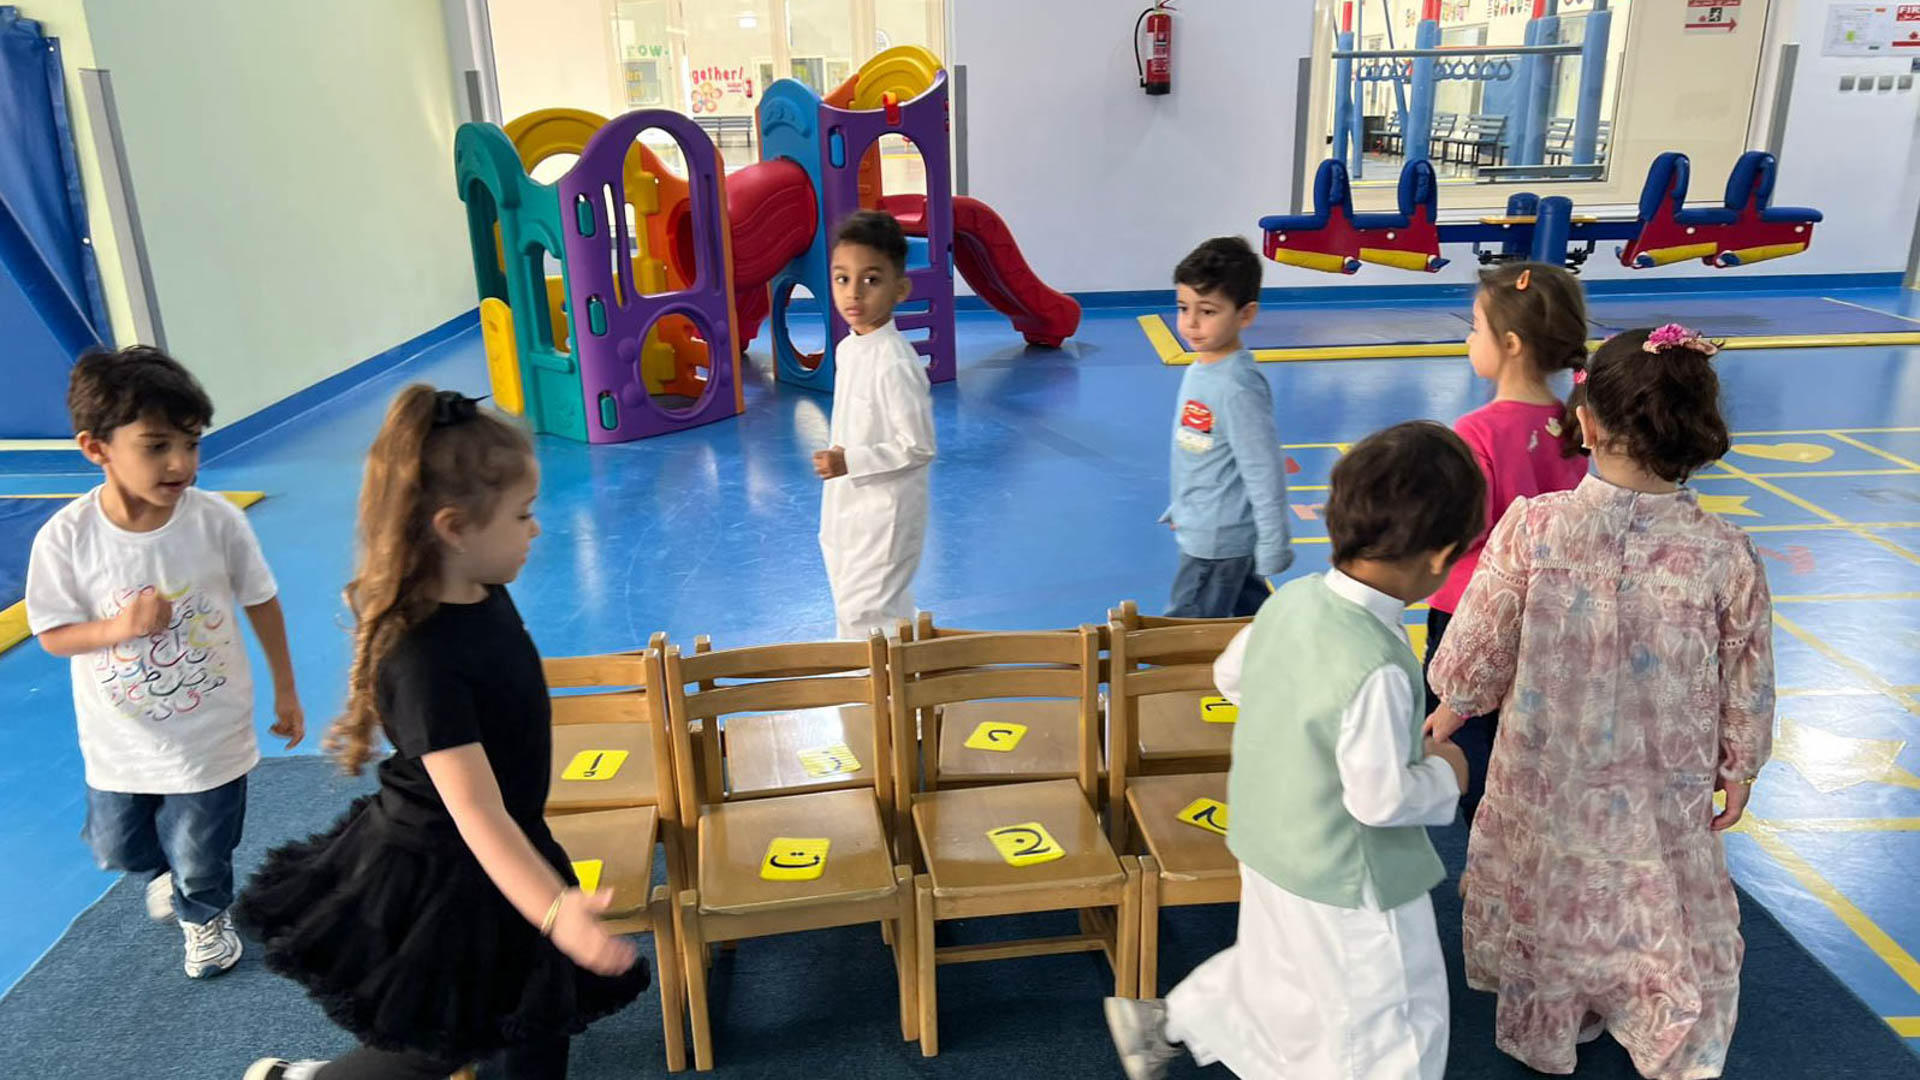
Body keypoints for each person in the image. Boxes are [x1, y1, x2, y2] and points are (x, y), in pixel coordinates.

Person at [239, 387, 645, 1080]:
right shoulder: (422, 659)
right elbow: (477, 814)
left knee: (535, 1016)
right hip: (448, 864)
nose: (535, 530)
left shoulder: (483, 587)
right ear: (455, 528)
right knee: (438, 1043)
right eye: (522, 514)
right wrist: (555, 910)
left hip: (510, 843)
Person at [1427, 324, 1775, 1079]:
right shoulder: (1727, 553)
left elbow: (1478, 649)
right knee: (1653, 885)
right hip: (1661, 785)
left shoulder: (1534, 527)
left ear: (1584, 424)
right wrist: (1741, 764)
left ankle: (1557, 1018)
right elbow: (1748, 677)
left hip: (1548, 778)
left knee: (1553, 888)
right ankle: (1649, 1007)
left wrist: (1451, 709)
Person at [1106, 421, 1485, 1080]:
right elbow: (1380, 800)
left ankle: (1174, 1020)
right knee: (1392, 1023)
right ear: (1440, 556)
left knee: (1277, 969)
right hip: (1352, 880)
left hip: (1270, 842)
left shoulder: (1294, 603)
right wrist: (1445, 774)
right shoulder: (1379, 663)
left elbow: (1231, 676)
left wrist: (1300, 726)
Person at [25, 345, 303, 979]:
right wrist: (117, 628)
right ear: (96, 448)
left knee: (202, 850)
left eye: (192, 443)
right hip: (118, 738)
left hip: (210, 731)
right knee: (116, 846)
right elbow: (53, 635)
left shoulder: (217, 522)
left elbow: (261, 600)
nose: (181, 463)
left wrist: (286, 690)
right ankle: (164, 871)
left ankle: (204, 916)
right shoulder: (67, 538)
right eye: (156, 447)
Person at [1424, 261, 1591, 823]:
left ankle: (1476, 836)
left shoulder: (1477, 430)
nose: (1469, 340)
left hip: (1471, 612)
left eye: (1475, 328)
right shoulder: (1574, 424)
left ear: (1512, 344)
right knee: (1528, 731)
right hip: (1549, 614)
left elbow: (1465, 527)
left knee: (1460, 732)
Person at [812, 209, 937, 638]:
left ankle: (874, 677)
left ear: (900, 289)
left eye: (871, 279)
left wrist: (851, 461)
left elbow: (918, 446)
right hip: (848, 501)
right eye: (842, 278)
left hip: (886, 510)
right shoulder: (851, 348)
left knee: (868, 608)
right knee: (851, 594)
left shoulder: (895, 362)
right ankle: (892, 664)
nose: (853, 293)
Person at [1161, 236, 1291, 617]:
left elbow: (1263, 469)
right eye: (1183, 307)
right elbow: (1202, 449)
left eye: (1208, 311)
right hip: (1206, 527)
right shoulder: (1201, 368)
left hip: (1216, 543)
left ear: (1245, 315)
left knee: (1186, 635)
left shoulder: (1236, 387)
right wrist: (1182, 505)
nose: (1191, 323)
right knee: (1256, 619)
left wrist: (1274, 543)